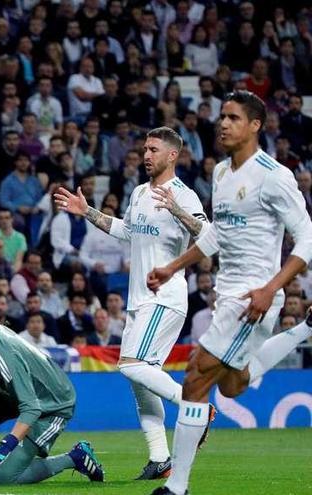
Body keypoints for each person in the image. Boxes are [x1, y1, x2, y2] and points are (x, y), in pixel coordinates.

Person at [146, 92, 312, 495]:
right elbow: (217, 234)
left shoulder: (274, 175)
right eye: (222, 116)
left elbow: (306, 237)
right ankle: (308, 328)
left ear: (255, 125)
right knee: (233, 385)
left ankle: (177, 487)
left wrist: (271, 288)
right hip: (229, 293)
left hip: (254, 298)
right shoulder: (220, 173)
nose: (223, 124)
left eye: (234, 117)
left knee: (196, 377)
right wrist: (173, 266)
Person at [55, 127, 209, 479]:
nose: (146, 155)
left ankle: (195, 409)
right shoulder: (140, 192)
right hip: (139, 300)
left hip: (164, 297)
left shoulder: (184, 195)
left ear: (172, 156)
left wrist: (178, 212)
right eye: (144, 149)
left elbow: (208, 234)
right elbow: (127, 231)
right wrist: (88, 212)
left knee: (130, 364)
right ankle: (160, 459)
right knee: (140, 381)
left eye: (154, 149)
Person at [0, 293, 104, 485]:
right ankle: (8, 408)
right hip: (25, 391)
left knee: (5, 477)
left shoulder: (4, 354)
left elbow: (32, 407)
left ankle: (76, 457)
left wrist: (4, 447)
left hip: (51, 405)